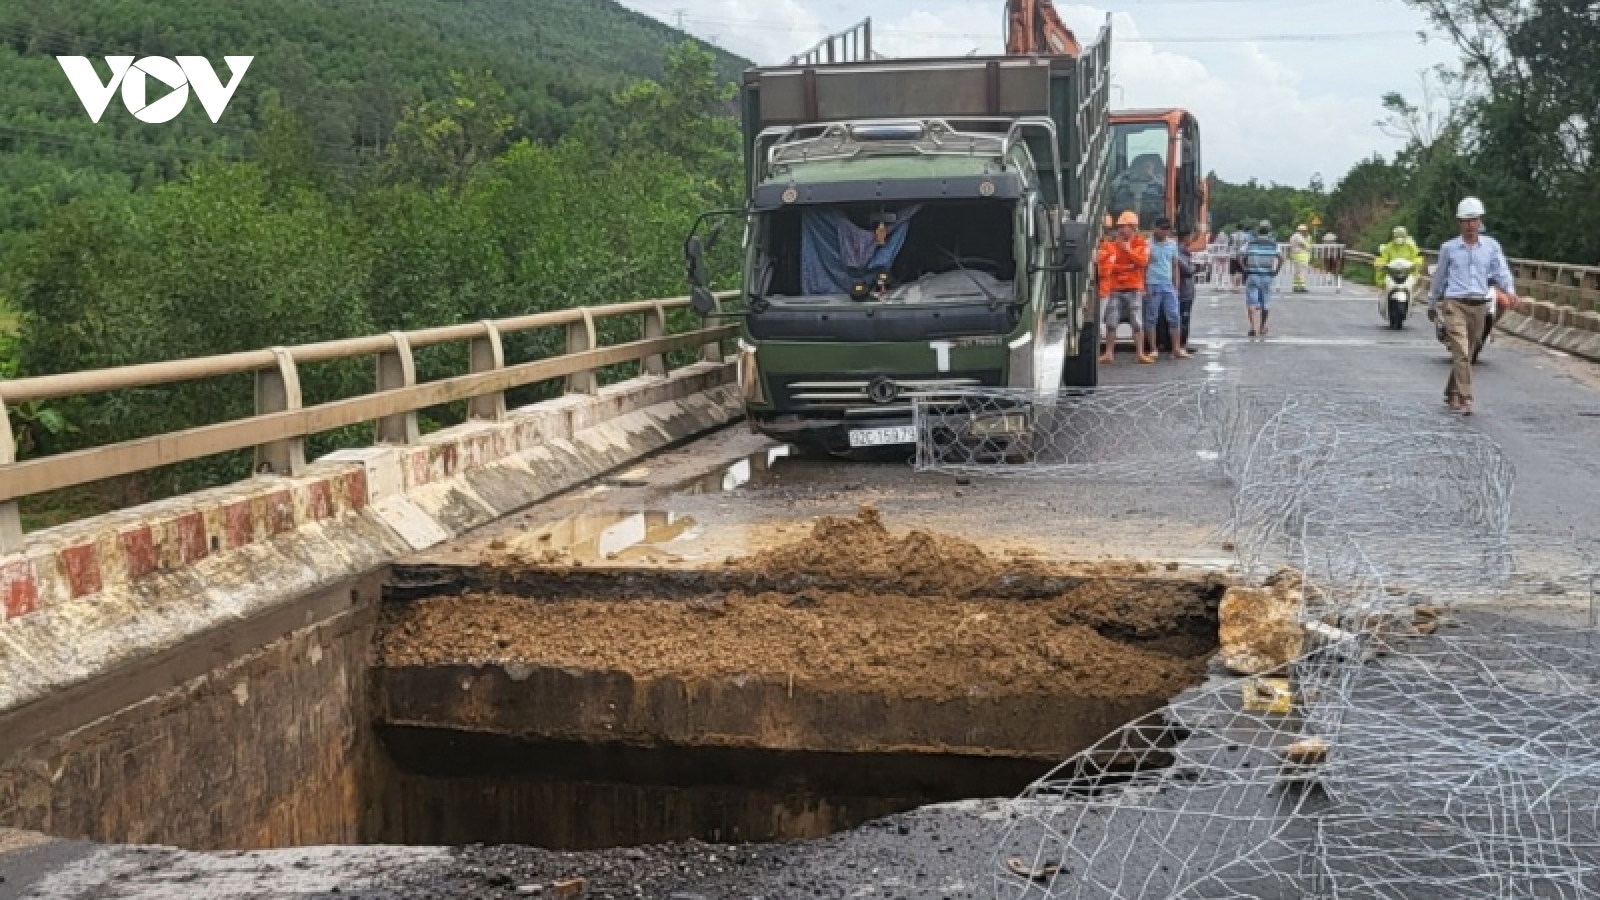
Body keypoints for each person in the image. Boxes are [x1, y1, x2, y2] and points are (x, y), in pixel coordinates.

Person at [1428, 197, 1519, 415]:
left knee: (1467, 352)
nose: (1470, 225)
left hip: (1479, 304)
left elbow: (1501, 271)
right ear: (1459, 223)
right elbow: (1439, 277)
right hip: (1455, 303)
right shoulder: (1449, 249)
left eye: (1474, 220)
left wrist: (1510, 290)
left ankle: (1451, 391)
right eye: (1465, 221)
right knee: (1460, 350)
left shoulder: (1491, 247)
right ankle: (1465, 396)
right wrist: (1433, 302)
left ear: (1480, 221)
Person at [1097, 210, 1152, 365]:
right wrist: (1128, 265)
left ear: (1133, 228)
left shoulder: (1142, 244)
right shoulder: (1111, 245)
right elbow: (1109, 266)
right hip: (1115, 289)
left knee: (1137, 322)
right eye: (1120, 226)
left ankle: (1140, 353)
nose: (1120, 229)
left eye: (1124, 226)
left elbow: (1142, 262)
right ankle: (1108, 353)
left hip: (1134, 289)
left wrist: (1128, 250)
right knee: (1111, 322)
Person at [1142, 216, 1187, 360]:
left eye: (1167, 229)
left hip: (1168, 284)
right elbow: (1143, 266)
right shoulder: (1147, 244)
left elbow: (1175, 266)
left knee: (1174, 317)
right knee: (1151, 318)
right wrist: (1143, 286)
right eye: (1162, 229)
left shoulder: (1172, 245)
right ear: (1155, 228)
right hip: (1152, 283)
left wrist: (1176, 285)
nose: (1165, 232)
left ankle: (1176, 348)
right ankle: (1153, 349)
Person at [1238, 219, 1283, 337]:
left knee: (1251, 302)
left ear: (1258, 230)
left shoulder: (1250, 243)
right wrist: (1276, 271)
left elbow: (1240, 255)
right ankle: (1262, 327)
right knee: (1265, 302)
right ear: (1269, 231)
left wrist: (1244, 268)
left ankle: (1252, 327)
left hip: (1252, 275)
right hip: (1267, 276)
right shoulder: (1273, 244)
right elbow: (1280, 258)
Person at [1228, 223, 1251, 292]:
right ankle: (1237, 287)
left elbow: (1229, 244)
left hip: (1233, 255)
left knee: (1232, 272)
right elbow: (1247, 244)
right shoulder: (1246, 236)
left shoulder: (1232, 235)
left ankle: (1233, 286)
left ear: (1236, 228)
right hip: (1242, 255)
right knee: (1240, 271)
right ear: (1242, 228)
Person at [1289, 224, 1312, 292]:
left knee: (1297, 272)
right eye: (1305, 230)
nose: (1306, 232)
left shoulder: (1293, 236)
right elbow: (1302, 244)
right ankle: (1302, 287)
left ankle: (1295, 286)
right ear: (1302, 230)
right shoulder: (1298, 236)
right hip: (1301, 255)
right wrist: (1308, 247)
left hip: (1296, 255)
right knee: (1302, 272)